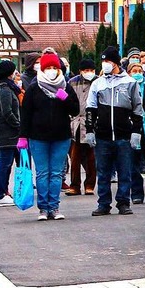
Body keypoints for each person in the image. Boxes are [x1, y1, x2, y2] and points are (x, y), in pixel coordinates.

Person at [19, 51, 79, 221]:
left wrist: (64, 98)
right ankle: (43, 208)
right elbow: (26, 113)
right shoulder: (34, 87)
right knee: (43, 173)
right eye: (48, 67)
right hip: (38, 137)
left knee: (56, 173)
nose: (52, 70)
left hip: (61, 136)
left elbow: (75, 109)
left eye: (55, 67)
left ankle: (54, 206)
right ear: (42, 69)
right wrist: (23, 136)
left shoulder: (65, 86)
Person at [86, 46, 144, 216]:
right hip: (103, 135)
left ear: (117, 63)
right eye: (103, 61)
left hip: (123, 135)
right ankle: (103, 203)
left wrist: (136, 132)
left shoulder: (130, 83)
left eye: (108, 61)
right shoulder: (98, 83)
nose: (105, 64)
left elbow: (137, 109)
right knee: (103, 172)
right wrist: (90, 130)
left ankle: (123, 202)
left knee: (124, 171)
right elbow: (91, 108)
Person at [0, 60, 22, 207]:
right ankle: (0, 194)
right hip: (6, 131)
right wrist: (18, 125)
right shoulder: (5, 90)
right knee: (4, 163)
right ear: (9, 73)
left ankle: (1, 193)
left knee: (4, 162)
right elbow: (7, 112)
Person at [65, 58, 98, 196]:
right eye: (86, 70)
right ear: (80, 71)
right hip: (75, 123)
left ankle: (90, 184)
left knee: (91, 157)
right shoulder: (72, 83)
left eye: (91, 70)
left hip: (92, 123)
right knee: (75, 156)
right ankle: (75, 185)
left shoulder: (98, 82)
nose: (89, 73)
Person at [126, 62, 145, 204]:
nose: (138, 73)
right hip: (132, 128)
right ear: (129, 72)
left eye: (139, 70)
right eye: (134, 70)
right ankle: (136, 194)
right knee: (133, 164)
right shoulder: (126, 86)